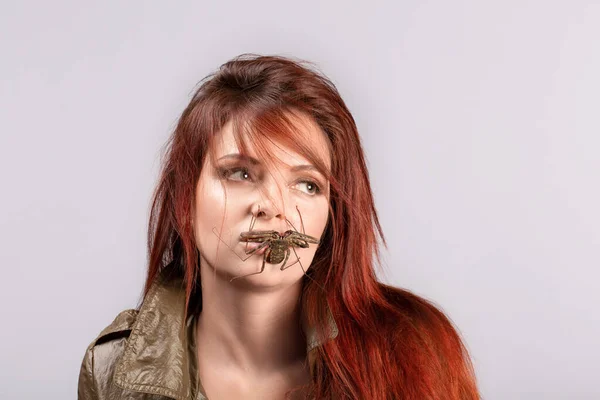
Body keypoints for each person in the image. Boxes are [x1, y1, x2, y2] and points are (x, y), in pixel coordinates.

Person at [77, 53, 480, 400]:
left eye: (308, 184)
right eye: (239, 173)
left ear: (332, 215)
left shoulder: (413, 349)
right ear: (188, 197)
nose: (274, 207)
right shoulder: (112, 368)